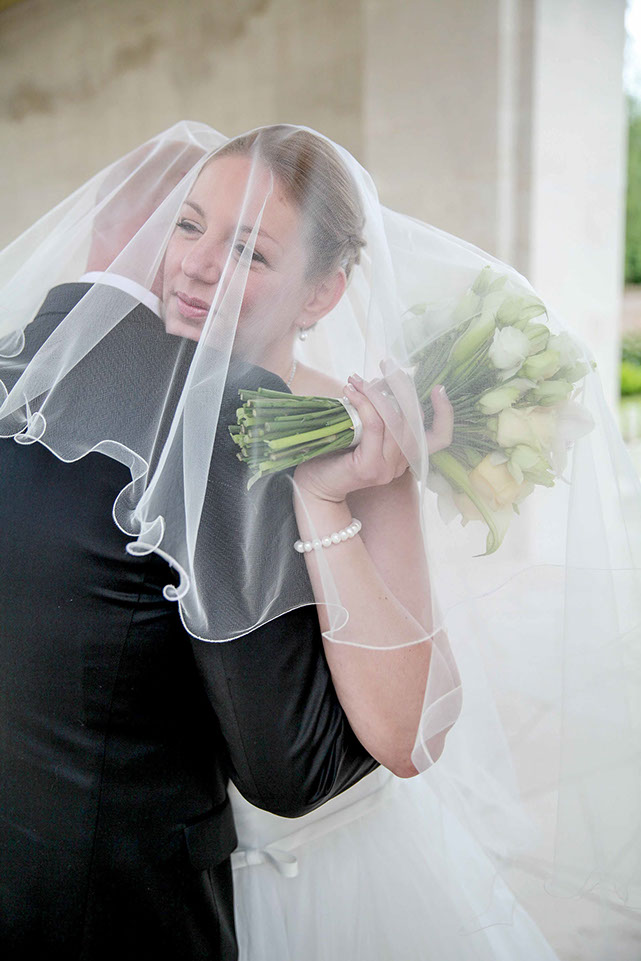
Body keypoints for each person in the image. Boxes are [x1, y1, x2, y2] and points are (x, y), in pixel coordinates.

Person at [1, 122, 640, 961]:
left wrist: (323, 494)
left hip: (322, 881)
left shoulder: (356, 433)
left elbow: (408, 729)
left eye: (248, 252)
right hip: (172, 875)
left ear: (320, 295)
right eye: (188, 225)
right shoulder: (138, 413)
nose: (194, 265)